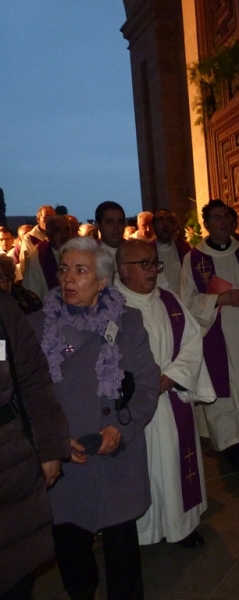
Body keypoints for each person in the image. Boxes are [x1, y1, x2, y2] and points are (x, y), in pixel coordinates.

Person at [29, 236, 160, 600]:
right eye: (64, 269)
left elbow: (148, 384)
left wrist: (122, 429)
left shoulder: (128, 322)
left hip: (115, 451)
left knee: (122, 556)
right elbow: (26, 393)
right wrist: (51, 439)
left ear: (102, 281)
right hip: (65, 456)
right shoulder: (35, 325)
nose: (68, 279)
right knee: (72, 550)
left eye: (81, 271)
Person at [116, 240, 216, 547]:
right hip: (132, 410)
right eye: (143, 264)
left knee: (174, 464)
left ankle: (180, 527)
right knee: (140, 471)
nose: (152, 270)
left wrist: (171, 377)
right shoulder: (110, 307)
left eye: (154, 263)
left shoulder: (170, 302)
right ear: (122, 269)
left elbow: (192, 342)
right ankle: (139, 532)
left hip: (171, 403)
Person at [180, 199, 239, 471]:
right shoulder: (194, 258)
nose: (222, 222)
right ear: (207, 224)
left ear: (233, 221)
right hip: (213, 333)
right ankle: (229, 443)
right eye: (216, 217)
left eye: (226, 217)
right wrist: (216, 299)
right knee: (221, 387)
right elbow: (186, 299)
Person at [0, 292, 70, 599]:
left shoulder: (2, 309)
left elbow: (33, 380)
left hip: (8, 460)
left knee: (15, 573)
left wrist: (50, 447)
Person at [22, 215, 72, 302]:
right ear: (48, 234)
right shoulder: (37, 258)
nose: (64, 234)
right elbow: (33, 294)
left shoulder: (79, 254)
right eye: (57, 231)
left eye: (67, 229)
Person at [152, 209, 191, 294]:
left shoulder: (184, 249)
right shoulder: (147, 250)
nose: (165, 224)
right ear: (153, 226)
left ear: (174, 225)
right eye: (160, 221)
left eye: (169, 220)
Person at [19, 205, 56, 270]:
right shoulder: (29, 238)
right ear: (38, 219)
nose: (49, 220)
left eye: (52, 217)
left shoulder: (58, 236)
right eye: (46, 217)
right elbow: (26, 262)